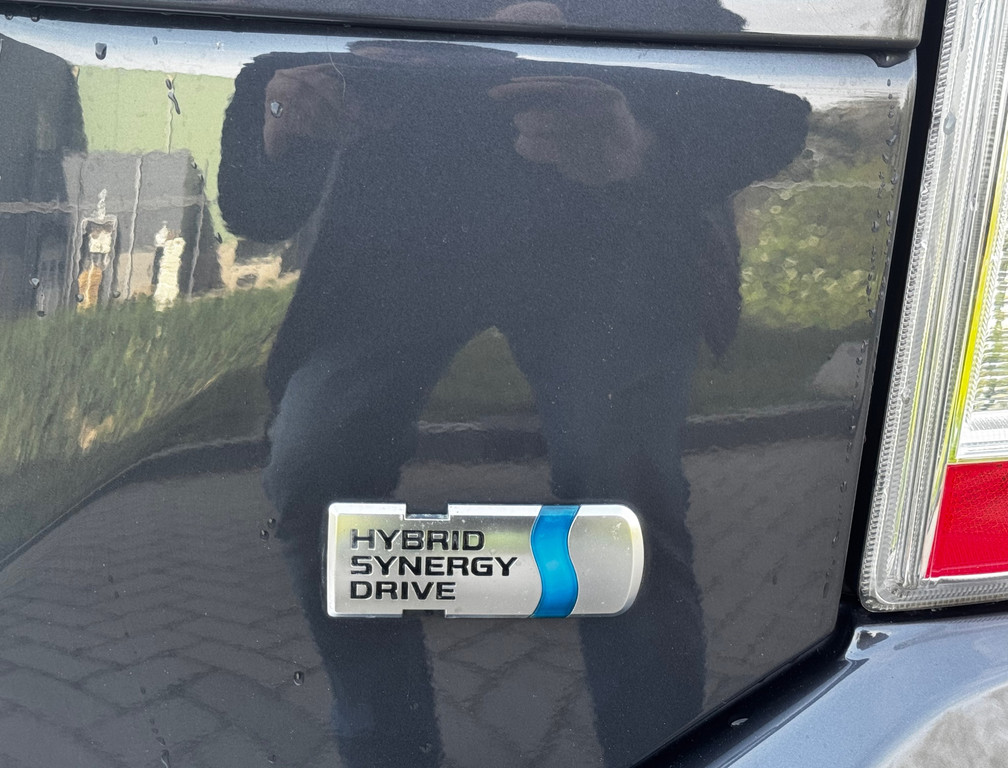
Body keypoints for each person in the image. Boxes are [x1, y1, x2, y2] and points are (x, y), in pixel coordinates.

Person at [219, 30, 808, 767]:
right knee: (313, 464)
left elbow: (775, 114)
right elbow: (253, 208)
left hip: (607, 246)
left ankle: (652, 744)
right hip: (396, 258)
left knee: (622, 479)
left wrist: (641, 147)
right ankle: (387, 748)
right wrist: (283, 117)